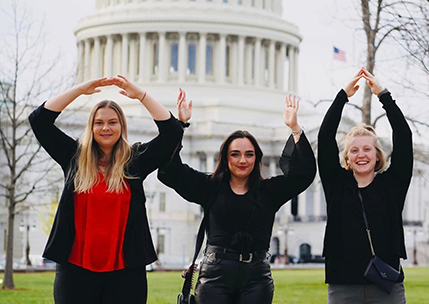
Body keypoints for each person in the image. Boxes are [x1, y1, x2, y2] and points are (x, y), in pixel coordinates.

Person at [28, 75, 183, 304]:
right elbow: (39, 120)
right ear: (91, 127)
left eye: (112, 122)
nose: (106, 128)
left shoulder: (136, 161)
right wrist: (81, 89)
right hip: (75, 269)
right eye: (99, 122)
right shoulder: (75, 157)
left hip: (126, 271)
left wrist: (140, 95)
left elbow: (172, 133)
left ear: (122, 126)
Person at [158, 90, 316, 304]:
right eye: (235, 154)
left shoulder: (269, 191)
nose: (243, 160)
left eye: (249, 154)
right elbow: (171, 171)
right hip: (215, 275)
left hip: (256, 277)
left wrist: (295, 129)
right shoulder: (210, 187)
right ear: (225, 158)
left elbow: (303, 175)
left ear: (257, 158)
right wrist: (180, 126)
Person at [318, 67, 413, 304]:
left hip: (386, 286)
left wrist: (384, 96)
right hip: (343, 287)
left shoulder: (392, 185)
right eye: (354, 150)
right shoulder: (336, 184)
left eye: (367, 149)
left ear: (377, 154)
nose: (361, 155)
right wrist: (342, 96)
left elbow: (404, 136)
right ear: (347, 158)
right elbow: (324, 137)